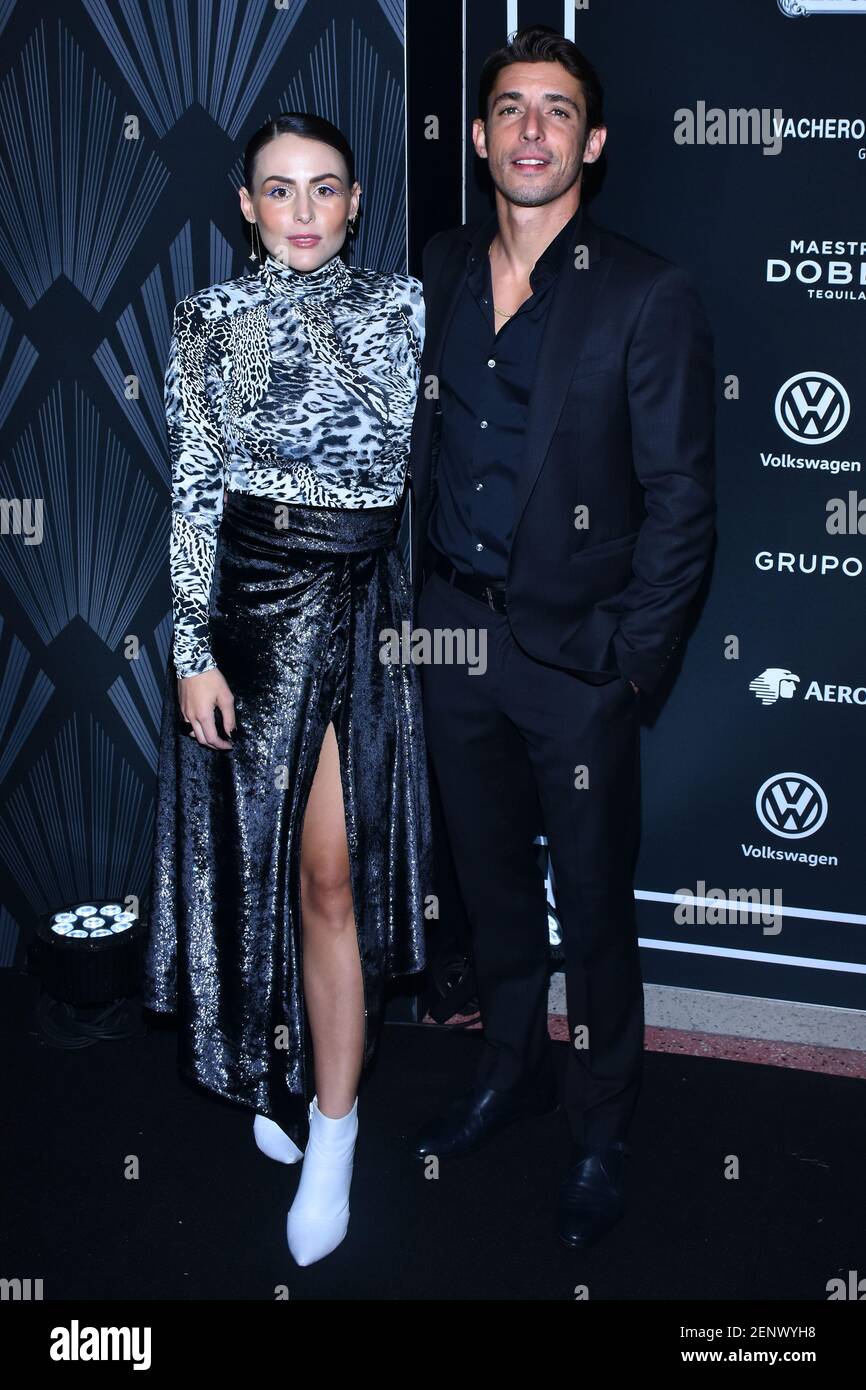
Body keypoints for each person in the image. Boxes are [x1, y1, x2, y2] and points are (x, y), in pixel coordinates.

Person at [407, 25, 716, 1248]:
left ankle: (600, 1124)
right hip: (448, 645)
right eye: (507, 108)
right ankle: (506, 1067)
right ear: (477, 134)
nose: (528, 130)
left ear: (588, 141)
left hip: (575, 667)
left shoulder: (646, 292)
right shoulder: (434, 267)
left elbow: (683, 501)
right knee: (489, 895)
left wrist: (627, 663)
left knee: (589, 909)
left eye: (554, 111)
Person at [143, 112, 432, 1266]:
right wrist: (189, 648)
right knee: (249, 864)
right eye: (278, 190)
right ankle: (273, 1064)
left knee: (326, 878)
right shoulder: (214, 319)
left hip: (353, 607)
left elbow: (386, 461)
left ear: (354, 202)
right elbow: (198, 486)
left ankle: (336, 1130)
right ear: (247, 206)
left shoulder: (400, 304)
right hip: (251, 618)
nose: (303, 211)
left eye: (324, 189)